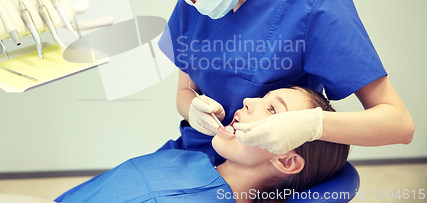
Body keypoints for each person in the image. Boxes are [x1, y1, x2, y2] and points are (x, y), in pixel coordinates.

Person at [147, 0, 414, 164]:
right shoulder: (193, 5)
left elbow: (399, 124)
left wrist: (312, 124)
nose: (198, 1)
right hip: (193, 153)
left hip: (260, 166)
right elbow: (184, 92)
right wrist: (192, 109)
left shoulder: (317, 6)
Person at [55, 87, 350, 203]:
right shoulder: (189, 158)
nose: (249, 101)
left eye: (273, 110)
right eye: (264, 97)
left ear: (286, 161)